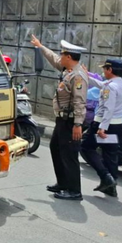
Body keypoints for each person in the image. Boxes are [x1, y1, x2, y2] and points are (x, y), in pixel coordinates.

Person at [30, 36, 87, 201]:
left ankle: (74, 190)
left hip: (70, 122)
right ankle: (62, 183)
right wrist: (41, 46)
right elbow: (54, 60)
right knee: (56, 148)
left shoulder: (78, 76)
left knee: (69, 155)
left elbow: (79, 101)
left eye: (62, 55)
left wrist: (78, 124)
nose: (60, 57)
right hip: (61, 120)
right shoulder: (67, 70)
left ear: (69, 57)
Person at [81, 59, 122, 198]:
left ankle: (105, 176)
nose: (103, 71)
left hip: (103, 124)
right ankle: (111, 186)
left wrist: (102, 128)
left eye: (104, 69)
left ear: (110, 70)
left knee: (86, 148)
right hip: (117, 125)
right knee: (111, 155)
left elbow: (109, 108)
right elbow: (100, 84)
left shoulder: (110, 87)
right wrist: (87, 76)